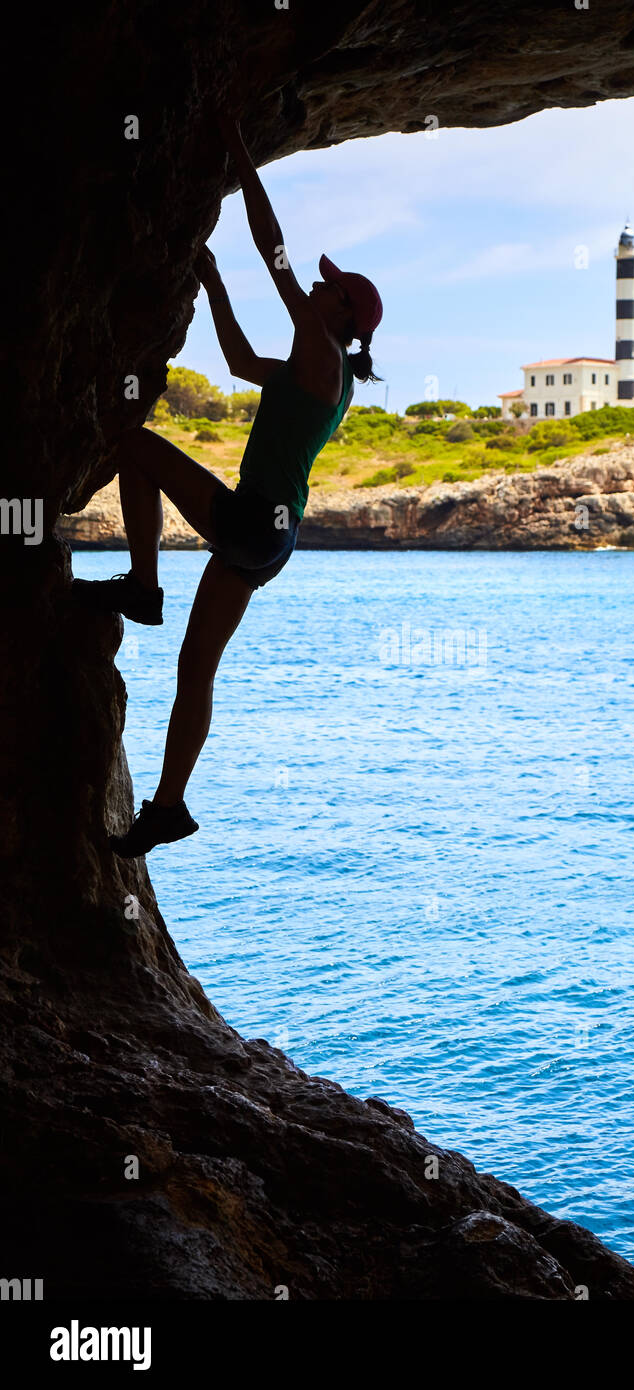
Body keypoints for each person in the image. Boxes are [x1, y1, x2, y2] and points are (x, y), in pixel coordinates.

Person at [73, 114, 383, 857]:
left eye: (330, 285)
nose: (316, 282)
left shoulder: (320, 347)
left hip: (252, 523)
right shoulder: (326, 377)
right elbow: (242, 360)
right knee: (194, 668)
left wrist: (240, 151)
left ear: (341, 312)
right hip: (273, 542)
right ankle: (169, 807)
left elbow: (273, 253)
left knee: (132, 444)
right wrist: (211, 282)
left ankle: (143, 586)